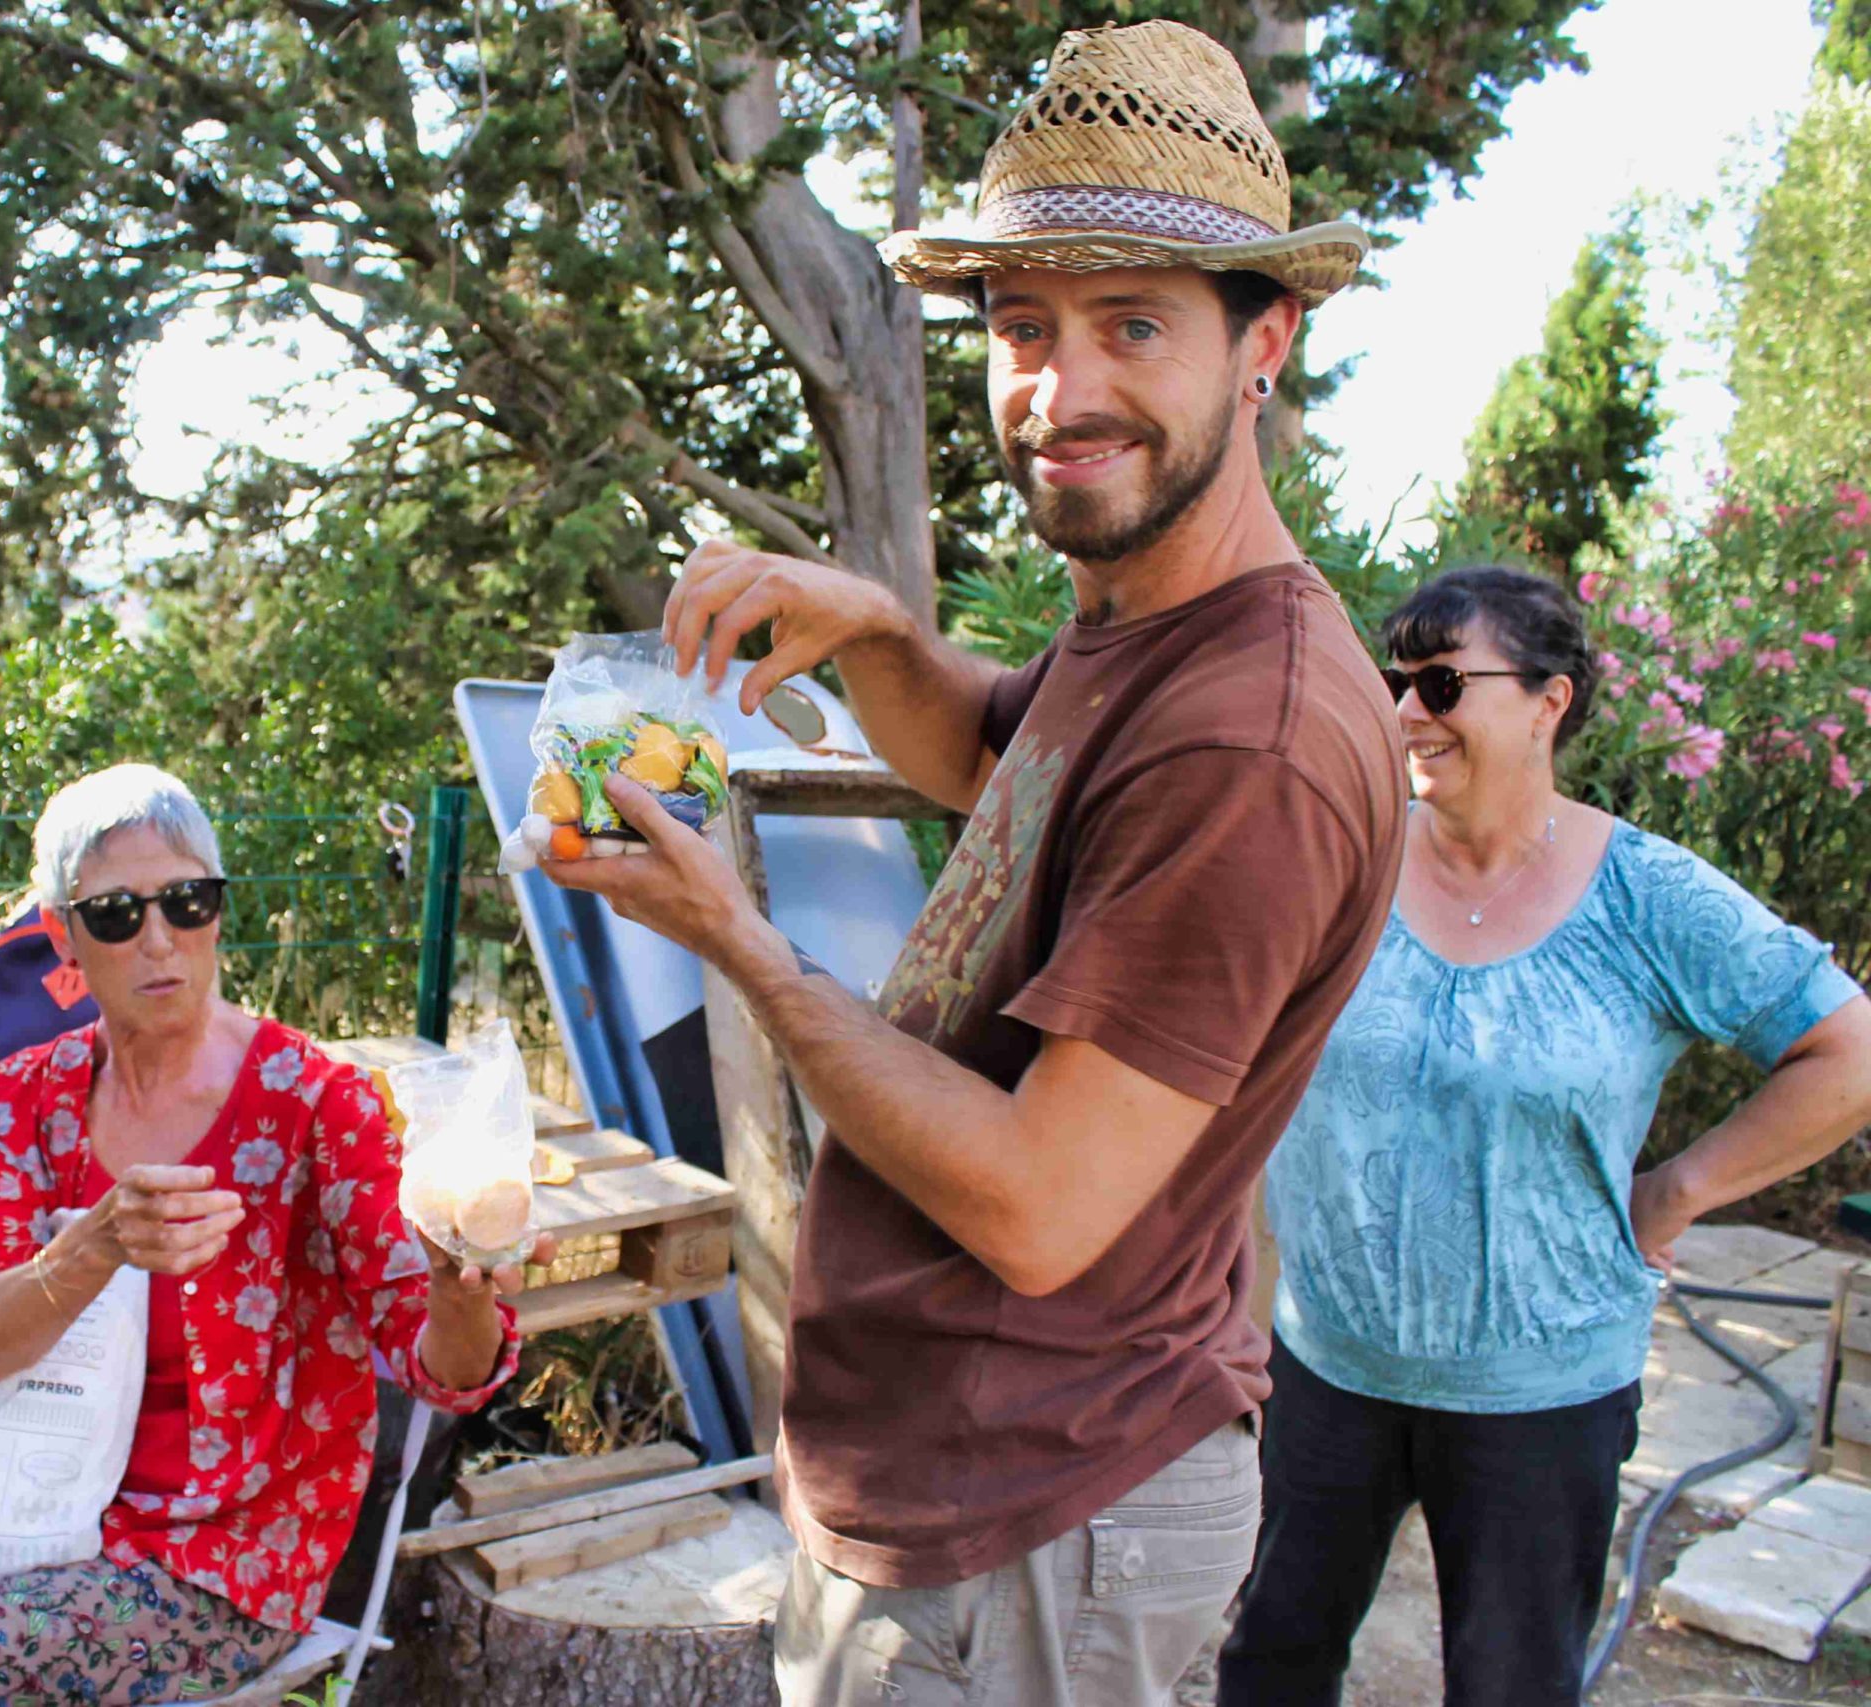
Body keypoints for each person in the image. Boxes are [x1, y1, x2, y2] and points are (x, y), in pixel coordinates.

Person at [544, 20, 1405, 1706]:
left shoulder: (1253, 733)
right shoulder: (1149, 626)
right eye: (1023, 326)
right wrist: (872, 627)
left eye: (1132, 324)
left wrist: (744, 944)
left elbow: (1034, 1205)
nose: (1059, 391)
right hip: (970, 1485)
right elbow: (993, 766)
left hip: (1037, 1516)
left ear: (1263, 344)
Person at [0, 765, 541, 1705]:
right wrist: (91, 1246)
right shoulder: (22, 1097)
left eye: (188, 901)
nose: (161, 940)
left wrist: (465, 1287)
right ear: (63, 938)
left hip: (221, 1549)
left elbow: (437, 1363)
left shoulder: (313, 1102)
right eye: (118, 915)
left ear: (219, 909)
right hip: (17, 1487)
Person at [1216, 567, 1871, 1707]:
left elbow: (1848, 1052)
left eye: (1440, 683)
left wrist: (1679, 1188)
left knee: (1511, 1688)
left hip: (1540, 1399)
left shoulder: (1647, 897)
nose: (1407, 710)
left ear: (1547, 702)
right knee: (1272, 1660)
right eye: (1394, 683)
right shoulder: (1344, 859)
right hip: (1326, 1369)